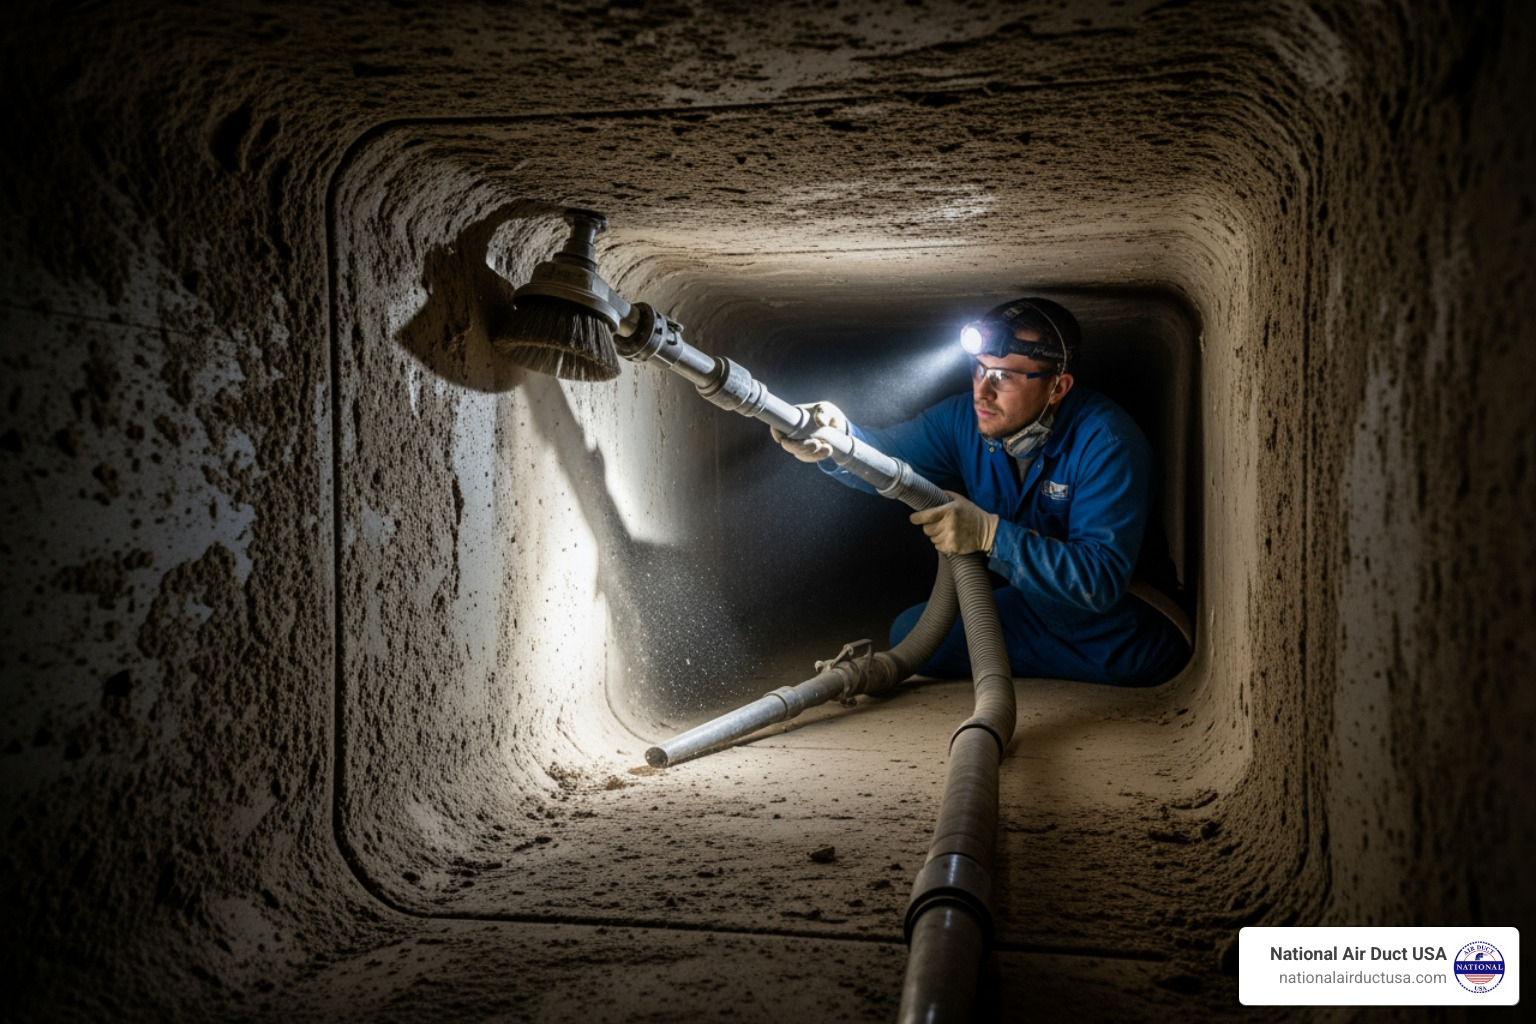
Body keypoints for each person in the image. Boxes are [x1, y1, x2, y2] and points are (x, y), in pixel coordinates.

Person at [771, 297, 1190, 686]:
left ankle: (1032, 666)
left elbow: (1098, 582)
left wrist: (990, 536)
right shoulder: (966, 419)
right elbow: (889, 456)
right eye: (979, 369)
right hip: (1039, 607)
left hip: (1126, 627)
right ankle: (1026, 662)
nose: (982, 391)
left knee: (1139, 660)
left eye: (1004, 377)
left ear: (1057, 387)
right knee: (910, 633)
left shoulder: (1108, 443)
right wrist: (838, 438)